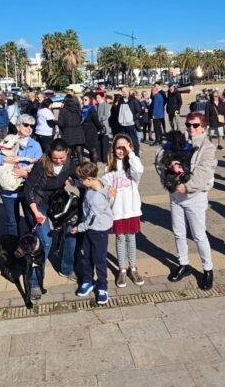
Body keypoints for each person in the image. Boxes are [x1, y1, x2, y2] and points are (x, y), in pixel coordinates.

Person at [155, 112, 217, 290]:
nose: (191, 128)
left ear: (203, 127)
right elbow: (159, 158)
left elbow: (205, 172)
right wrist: (170, 164)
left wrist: (187, 187)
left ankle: (208, 269)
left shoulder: (207, 147)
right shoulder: (179, 140)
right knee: (178, 232)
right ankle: (184, 264)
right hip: (176, 195)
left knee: (198, 235)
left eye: (195, 125)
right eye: (189, 124)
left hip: (194, 197)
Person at [23, 139, 79, 299]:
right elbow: (28, 189)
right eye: (55, 158)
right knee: (45, 241)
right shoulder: (41, 165)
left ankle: (66, 268)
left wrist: (74, 181)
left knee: (71, 231)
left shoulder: (70, 163)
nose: (59, 161)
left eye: (62, 158)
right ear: (50, 154)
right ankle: (34, 281)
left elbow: (79, 177)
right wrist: (36, 213)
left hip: (56, 202)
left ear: (67, 153)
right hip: (37, 203)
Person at [0, 115, 42, 236]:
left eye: (32, 126)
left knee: (30, 220)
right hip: (8, 191)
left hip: (27, 190)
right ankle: (14, 243)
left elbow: (40, 167)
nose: (29, 128)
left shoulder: (35, 145)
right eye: (26, 125)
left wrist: (26, 174)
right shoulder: (9, 140)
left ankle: (32, 243)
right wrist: (4, 159)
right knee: (12, 222)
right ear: (18, 126)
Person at [103, 133, 144, 288]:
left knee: (131, 238)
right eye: (118, 147)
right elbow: (104, 186)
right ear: (113, 149)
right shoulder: (109, 168)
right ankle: (122, 269)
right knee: (120, 238)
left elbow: (139, 170)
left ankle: (133, 268)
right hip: (117, 211)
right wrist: (107, 190)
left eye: (124, 147)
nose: (121, 151)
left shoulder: (132, 166)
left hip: (131, 210)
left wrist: (130, 152)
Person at [72, 162, 112, 305]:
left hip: (98, 231)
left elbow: (92, 218)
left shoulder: (96, 198)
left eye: (81, 180)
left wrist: (80, 227)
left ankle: (102, 287)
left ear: (89, 179)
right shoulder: (98, 183)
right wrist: (75, 182)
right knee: (86, 255)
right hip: (91, 229)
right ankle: (88, 280)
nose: (81, 183)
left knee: (99, 259)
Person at [110, 86, 141, 154]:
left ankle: (136, 153)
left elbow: (139, 111)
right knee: (124, 139)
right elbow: (118, 111)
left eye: (124, 92)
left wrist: (133, 118)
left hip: (130, 124)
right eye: (122, 92)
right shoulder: (120, 100)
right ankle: (125, 152)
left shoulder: (133, 100)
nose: (122, 93)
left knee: (133, 139)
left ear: (128, 91)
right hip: (122, 124)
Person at [58, 95, 86, 161]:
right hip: (78, 131)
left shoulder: (63, 110)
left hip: (68, 133)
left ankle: (68, 166)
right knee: (79, 152)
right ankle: (81, 166)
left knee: (68, 152)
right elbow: (80, 119)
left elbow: (61, 123)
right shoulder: (77, 109)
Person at [80, 94, 101, 162]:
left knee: (92, 149)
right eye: (83, 99)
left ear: (90, 100)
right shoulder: (82, 109)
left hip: (91, 131)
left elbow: (96, 121)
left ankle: (94, 164)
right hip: (84, 131)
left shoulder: (91, 109)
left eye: (85, 100)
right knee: (86, 148)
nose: (84, 101)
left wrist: (98, 128)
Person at [96, 92, 111, 162]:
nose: (97, 99)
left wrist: (98, 119)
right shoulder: (96, 105)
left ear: (102, 97)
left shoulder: (105, 105)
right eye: (96, 97)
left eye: (98, 97)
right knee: (99, 142)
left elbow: (106, 115)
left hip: (104, 126)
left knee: (105, 143)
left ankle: (105, 158)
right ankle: (100, 157)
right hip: (98, 126)